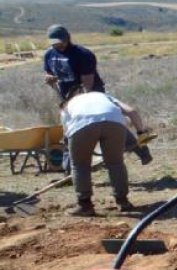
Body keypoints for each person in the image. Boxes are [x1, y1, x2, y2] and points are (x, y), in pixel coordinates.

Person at [42, 23, 154, 165]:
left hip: (93, 96)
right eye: (55, 43)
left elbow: (87, 84)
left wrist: (81, 103)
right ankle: (70, 169)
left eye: (61, 42)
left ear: (68, 38)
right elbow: (49, 72)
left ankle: (141, 150)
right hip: (68, 99)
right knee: (71, 131)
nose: (58, 46)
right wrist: (49, 78)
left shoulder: (83, 54)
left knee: (108, 123)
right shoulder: (49, 54)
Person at [60, 87, 139, 216]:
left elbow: (67, 134)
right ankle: (123, 201)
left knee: (80, 166)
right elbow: (132, 111)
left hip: (81, 124)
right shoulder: (102, 96)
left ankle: (85, 205)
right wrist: (141, 131)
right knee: (116, 163)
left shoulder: (66, 106)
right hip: (115, 122)